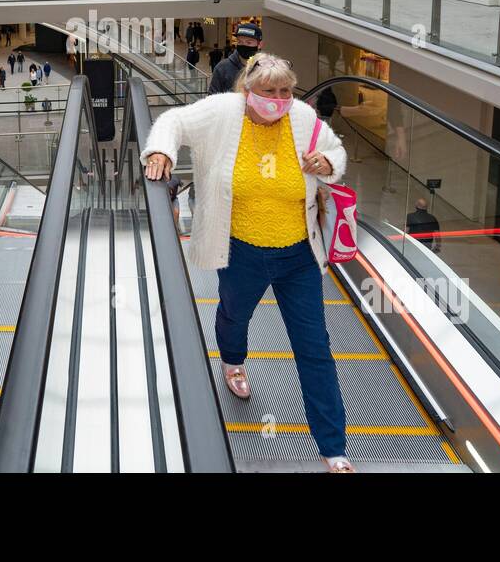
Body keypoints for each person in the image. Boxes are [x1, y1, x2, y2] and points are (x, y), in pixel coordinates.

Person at [142, 52, 354, 472]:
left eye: (286, 91)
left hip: (299, 256)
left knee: (315, 349)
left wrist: (328, 163)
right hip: (241, 252)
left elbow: (336, 150)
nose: (279, 99)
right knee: (234, 317)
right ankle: (233, 362)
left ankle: (334, 450)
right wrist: (161, 152)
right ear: (248, 91)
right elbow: (174, 122)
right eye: (269, 92)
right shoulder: (224, 112)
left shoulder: (304, 120)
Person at [208, 22, 262, 94]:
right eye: (240, 42)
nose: (243, 45)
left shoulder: (265, 68)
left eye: (249, 42)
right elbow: (212, 98)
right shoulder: (222, 68)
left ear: (259, 45)